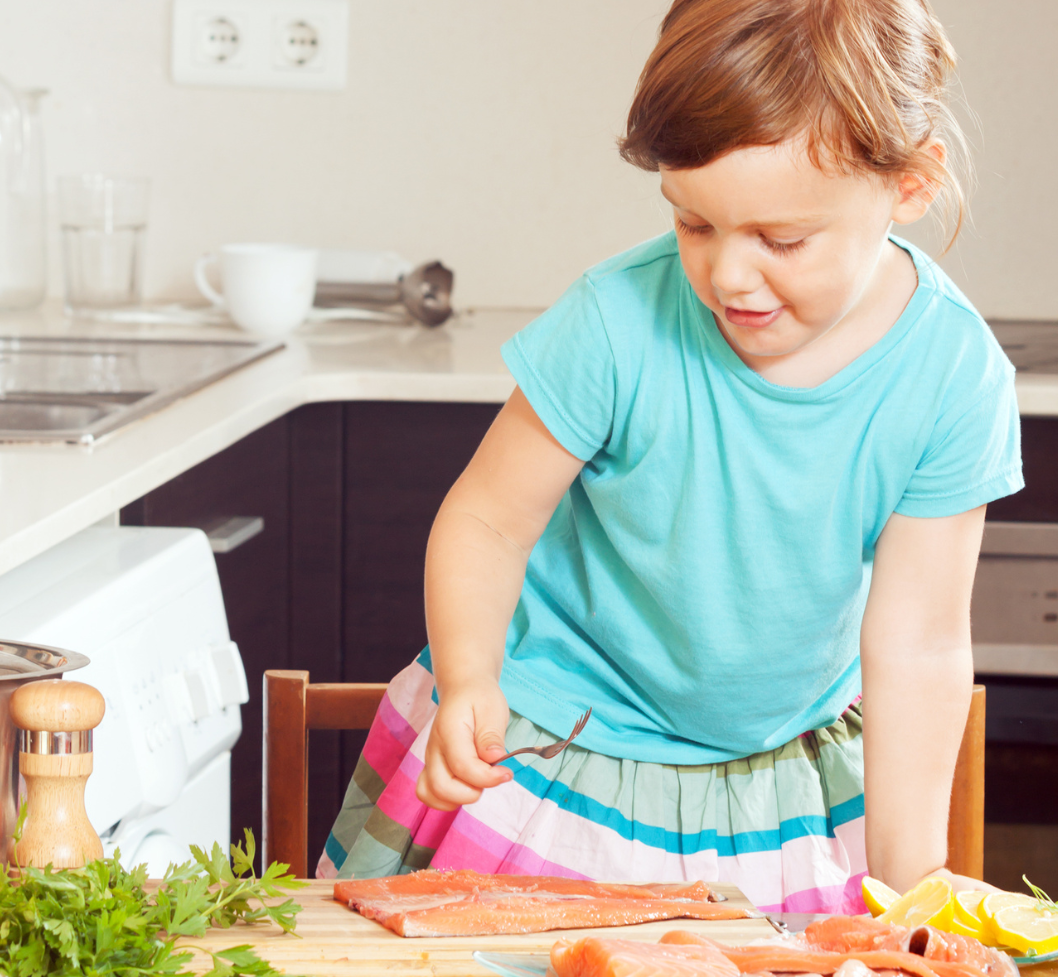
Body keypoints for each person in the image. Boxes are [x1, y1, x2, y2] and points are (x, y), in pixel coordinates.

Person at [317, 0, 1023, 913]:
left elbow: (920, 642)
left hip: (775, 785)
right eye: (694, 224)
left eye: (781, 239)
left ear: (910, 186)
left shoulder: (951, 372)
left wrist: (914, 886)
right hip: (549, 755)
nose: (728, 275)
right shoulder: (615, 321)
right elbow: (489, 519)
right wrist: (468, 678)